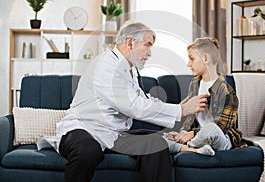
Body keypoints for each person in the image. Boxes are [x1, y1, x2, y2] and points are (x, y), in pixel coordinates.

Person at [55, 22, 208, 182]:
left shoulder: (127, 69)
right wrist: (181, 110)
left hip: (114, 134)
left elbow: (143, 99)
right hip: (83, 128)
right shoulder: (105, 66)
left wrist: (180, 106)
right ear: (130, 42)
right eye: (147, 45)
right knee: (87, 151)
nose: (149, 53)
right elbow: (134, 106)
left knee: (155, 145)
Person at [165, 37, 248, 156]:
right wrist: (183, 132)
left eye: (192, 59)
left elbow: (220, 127)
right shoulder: (194, 84)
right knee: (163, 137)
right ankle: (197, 148)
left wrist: (191, 135)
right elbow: (190, 119)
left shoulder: (226, 91)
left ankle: (187, 146)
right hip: (198, 137)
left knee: (211, 129)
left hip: (220, 139)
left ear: (205, 58)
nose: (188, 64)